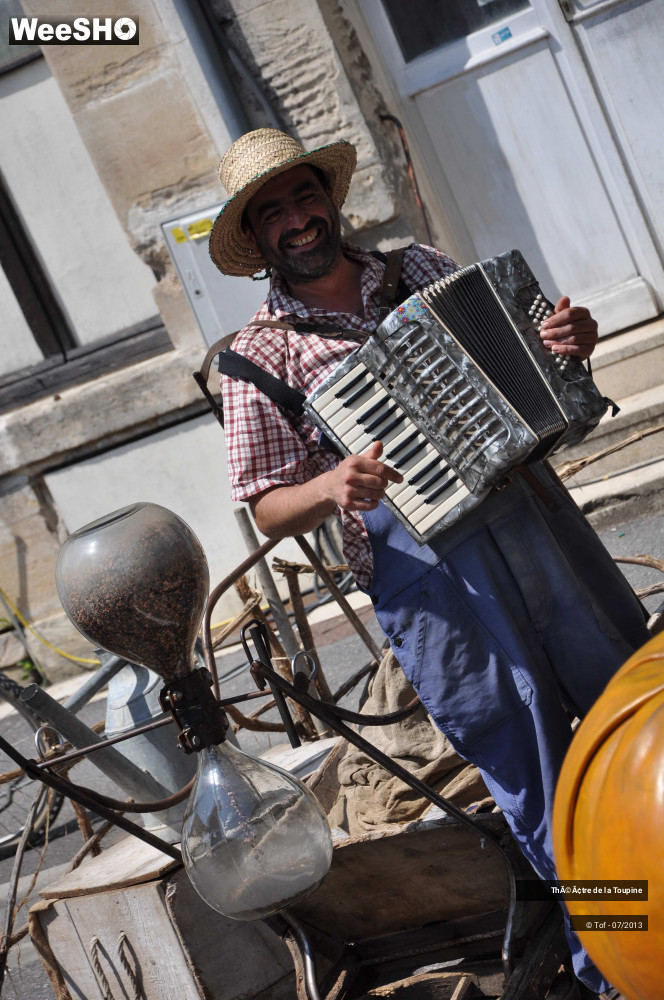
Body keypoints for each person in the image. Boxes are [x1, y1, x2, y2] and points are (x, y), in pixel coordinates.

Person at [208, 128, 647, 998]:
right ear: (255, 242)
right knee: (537, 773)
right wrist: (333, 483)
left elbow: (531, 359)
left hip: (533, 517)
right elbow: (260, 501)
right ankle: (622, 960)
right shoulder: (256, 358)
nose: (299, 220)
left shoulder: (415, 268)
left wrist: (569, 343)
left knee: (631, 706)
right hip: (431, 581)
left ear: (328, 200)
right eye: (274, 214)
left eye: (305, 197)